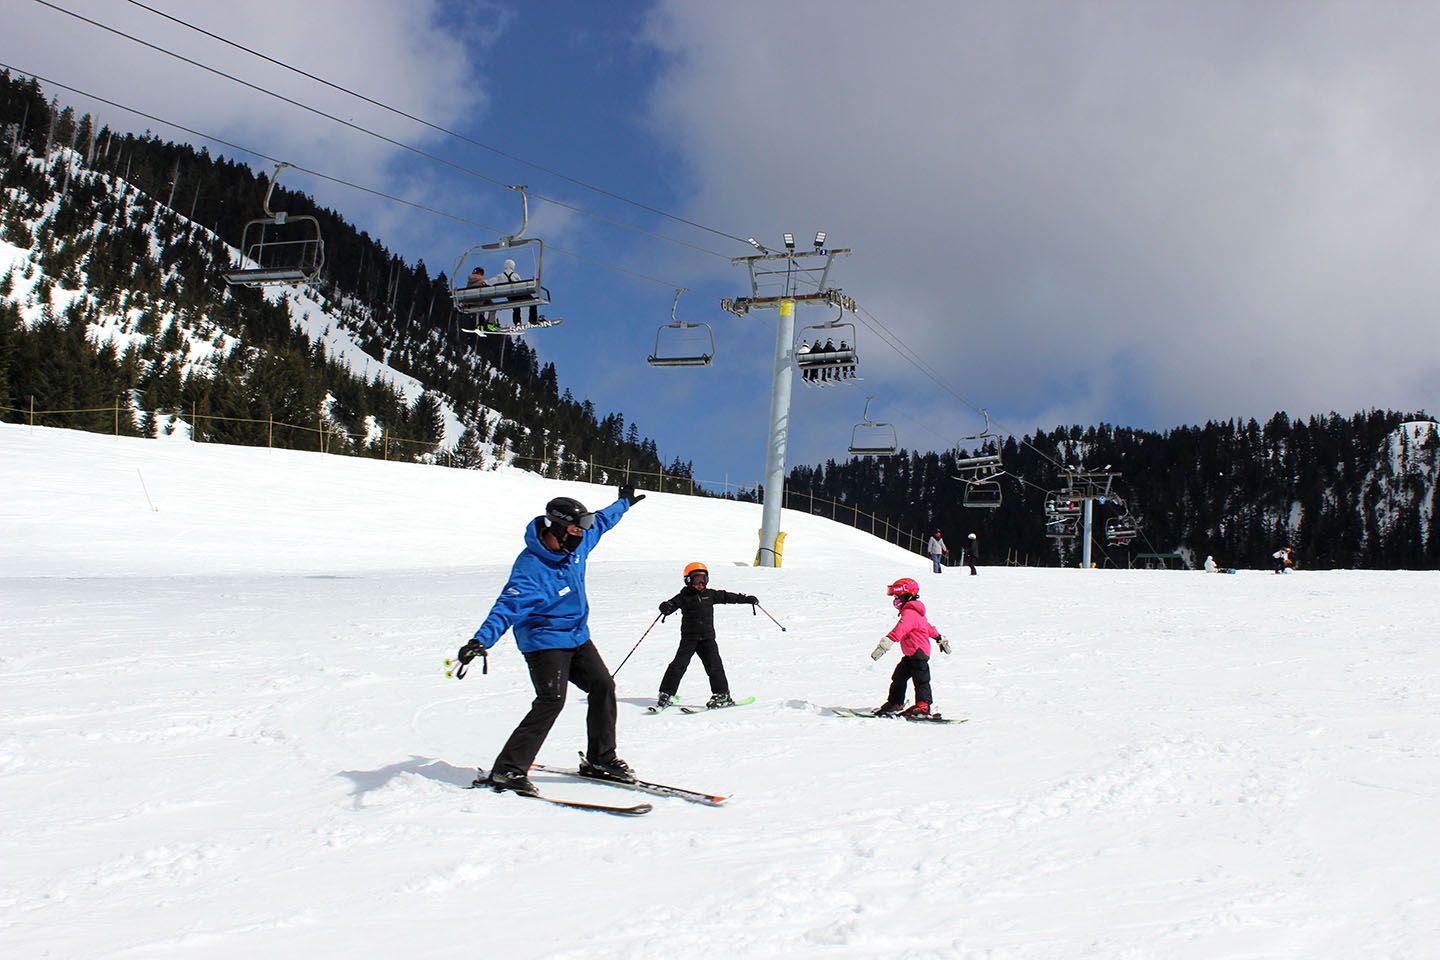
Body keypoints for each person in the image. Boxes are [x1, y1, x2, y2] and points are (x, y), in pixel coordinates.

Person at [453, 484, 647, 796]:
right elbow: (506, 608)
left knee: (603, 686)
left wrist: (623, 503)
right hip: (544, 642)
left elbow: (601, 521)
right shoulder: (531, 570)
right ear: (557, 528)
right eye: (575, 528)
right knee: (551, 700)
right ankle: (508, 770)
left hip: (576, 636)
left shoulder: (577, 542)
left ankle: (601, 759)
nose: (583, 533)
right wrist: (480, 641)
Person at [652, 562, 758, 710]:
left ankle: (722, 695)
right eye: (697, 580)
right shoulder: (684, 596)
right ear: (688, 581)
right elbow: (671, 604)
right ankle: (666, 694)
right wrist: (666, 606)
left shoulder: (710, 594)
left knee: (715, 666)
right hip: (689, 638)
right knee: (678, 665)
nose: (701, 583)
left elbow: (727, 596)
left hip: (707, 639)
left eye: (704, 580)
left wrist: (746, 599)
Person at [870, 577, 949, 718]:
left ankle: (923, 706)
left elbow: (900, 629)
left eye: (897, 596)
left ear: (907, 595)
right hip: (911, 654)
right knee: (899, 677)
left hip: (918, 653)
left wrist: (884, 645)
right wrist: (939, 638)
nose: (895, 600)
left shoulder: (910, 613)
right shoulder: (914, 612)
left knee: (921, 679)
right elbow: (929, 628)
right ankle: (895, 702)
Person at [489, 257, 538, 326]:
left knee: (516, 307)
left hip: (510, 296)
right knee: (533, 302)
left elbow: (491, 281)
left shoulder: (500, 276)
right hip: (519, 294)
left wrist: (484, 282)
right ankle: (532, 320)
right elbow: (522, 285)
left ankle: (517, 322)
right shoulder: (515, 275)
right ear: (512, 266)